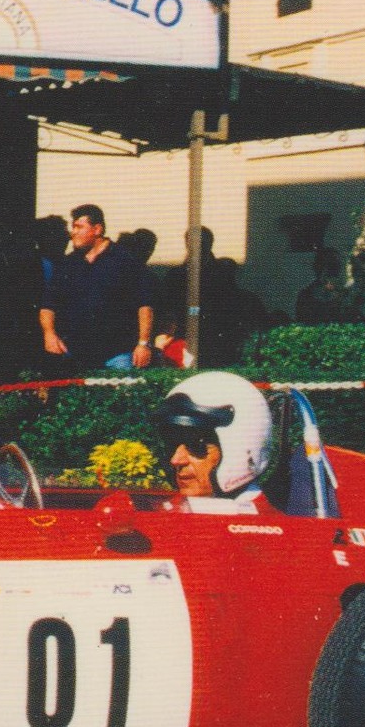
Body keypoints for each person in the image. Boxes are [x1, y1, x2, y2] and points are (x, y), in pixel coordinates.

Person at [38, 204, 153, 375]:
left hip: (118, 355)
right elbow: (48, 305)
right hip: (74, 354)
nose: (73, 233)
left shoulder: (125, 261)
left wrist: (143, 344)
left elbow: (144, 305)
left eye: (79, 227)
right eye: (72, 227)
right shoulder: (67, 264)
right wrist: (49, 334)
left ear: (97, 229)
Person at [152, 371, 274, 504]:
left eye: (196, 446)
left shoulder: (261, 521)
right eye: (172, 444)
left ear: (239, 449)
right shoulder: (175, 510)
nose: (176, 460)